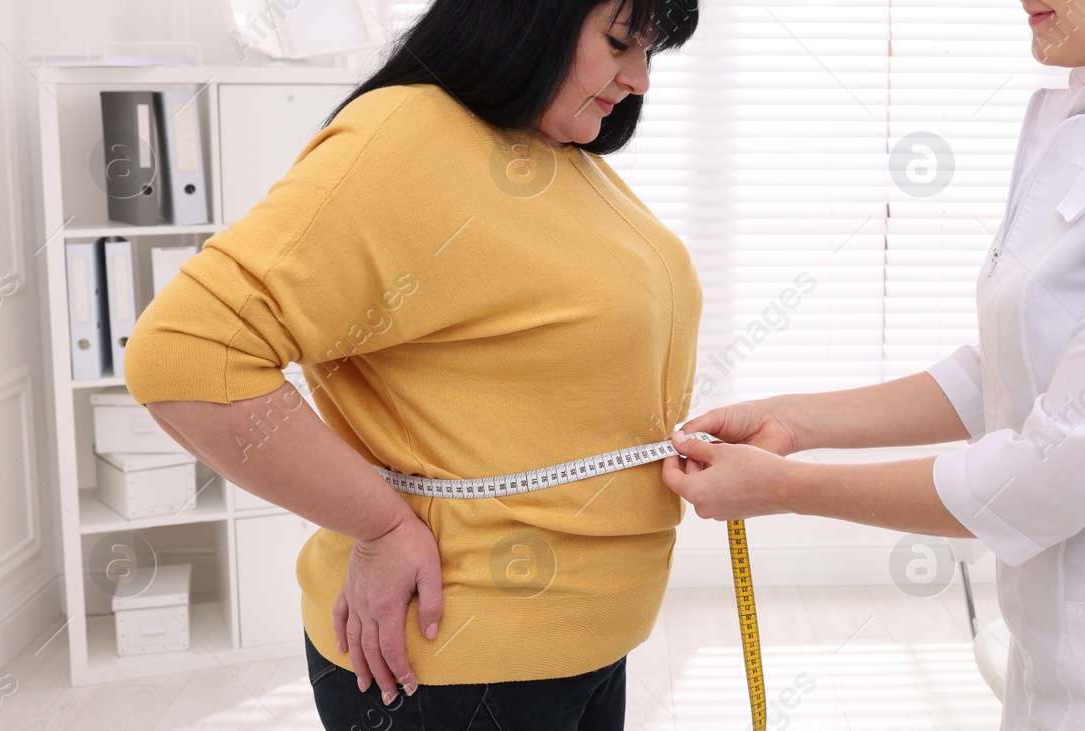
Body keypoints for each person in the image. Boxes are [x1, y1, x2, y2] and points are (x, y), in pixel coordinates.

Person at [662, 0, 1085, 727]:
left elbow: (1045, 476)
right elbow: (1014, 367)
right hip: (1073, 652)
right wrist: (796, 420)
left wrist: (788, 487)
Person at [125, 1, 700, 728]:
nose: (640, 79)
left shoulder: (557, 151)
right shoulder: (408, 136)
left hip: (585, 646)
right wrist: (382, 526)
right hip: (459, 664)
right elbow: (184, 351)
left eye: (652, 53)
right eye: (621, 42)